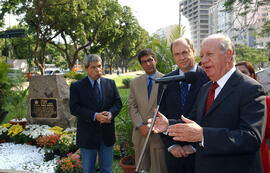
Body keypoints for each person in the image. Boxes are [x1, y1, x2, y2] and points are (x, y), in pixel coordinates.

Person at [150, 34, 267, 173]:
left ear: (228, 55)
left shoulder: (251, 89)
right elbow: (194, 121)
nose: (204, 61)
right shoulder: (206, 88)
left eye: (209, 54)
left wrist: (203, 135)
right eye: (202, 56)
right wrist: (168, 125)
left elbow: (251, 138)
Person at [158, 38, 209, 173]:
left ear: (193, 51)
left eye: (185, 52)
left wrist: (194, 146)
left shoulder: (209, 78)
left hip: (202, 153)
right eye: (177, 54)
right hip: (174, 154)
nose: (182, 57)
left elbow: (212, 117)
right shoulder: (166, 81)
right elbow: (160, 116)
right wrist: (171, 145)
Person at [69, 54, 122, 173]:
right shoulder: (77, 86)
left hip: (107, 135)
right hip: (88, 136)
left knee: (107, 170)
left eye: (99, 66)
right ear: (86, 69)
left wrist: (110, 114)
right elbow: (74, 108)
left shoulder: (110, 84)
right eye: (93, 67)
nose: (97, 70)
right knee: (88, 170)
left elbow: (117, 103)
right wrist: (94, 116)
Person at [128, 48, 167, 173]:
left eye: (150, 60)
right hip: (141, 134)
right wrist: (140, 125)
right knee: (141, 169)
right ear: (141, 64)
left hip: (158, 134)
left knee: (159, 168)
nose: (148, 64)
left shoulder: (166, 80)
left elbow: (169, 107)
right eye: (144, 62)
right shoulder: (135, 83)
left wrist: (154, 125)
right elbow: (132, 106)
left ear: (155, 60)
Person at [236, 61, 270, 173]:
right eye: (237, 73)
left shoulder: (265, 101)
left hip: (258, 157)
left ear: (252, 75)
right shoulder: (229, 101)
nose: (241, 76)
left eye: (244, 72)